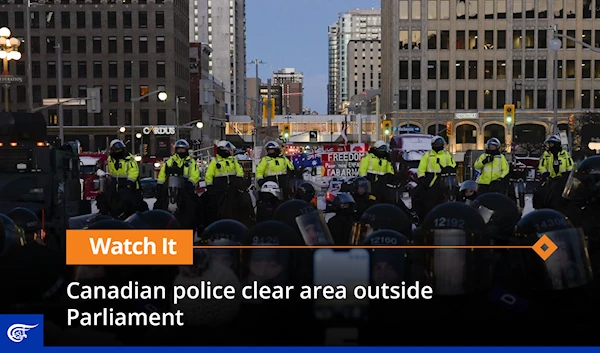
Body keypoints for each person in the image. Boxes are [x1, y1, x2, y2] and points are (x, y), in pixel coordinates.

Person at [155, 139, 201, 229]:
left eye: (182, 149)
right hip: (170, 187)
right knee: (158, 204)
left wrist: (190, 183)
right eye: (179, 149)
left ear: (186, 150)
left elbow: (195, 174)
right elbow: (162, 174)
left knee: (197, 205)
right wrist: (160, 185)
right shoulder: (170, 161)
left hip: (186, 188)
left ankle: (198, 226)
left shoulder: (191, 163)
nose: (181, 151)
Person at [412, 136, 456, 222]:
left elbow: (452, 166)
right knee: (416, 193)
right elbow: (421, 168)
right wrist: (422, 178)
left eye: (440, 144)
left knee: (454, 192)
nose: (438, 145)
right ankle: (416, 214)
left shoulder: (447, 154)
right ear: (433, 145)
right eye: (436, 144)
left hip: (444, 179)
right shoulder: (427, 155)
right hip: (429, 179)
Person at [100, 139, 142, 218]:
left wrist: (129, 182)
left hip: (128, 184)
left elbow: (134, 171)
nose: (118, 152)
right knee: (110, 201)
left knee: (129, 203)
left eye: (120, 150)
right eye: (116, 150)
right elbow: (111, 172)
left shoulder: (129, 159)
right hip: (115, 184)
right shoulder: (110, 159)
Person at [204, 140, 244, 223]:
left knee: (244, 201)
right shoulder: (215, 161)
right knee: (212, 206)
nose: (230, 151)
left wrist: (239, 179)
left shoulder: (233, 160)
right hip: (219, 189)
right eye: (228, 149)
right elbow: (209, 175)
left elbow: (239, 170)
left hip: (233, 187)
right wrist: (209, 186)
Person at [534, 134, 574, 212]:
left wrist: (567, 173)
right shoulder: (546, 155)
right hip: (550, 178)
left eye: (551, 143)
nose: (550, 145)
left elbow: (570, 165)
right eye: (549, 144)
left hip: (562, 179)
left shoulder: (565, 154)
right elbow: (542, 166)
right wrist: (545, 173)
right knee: (538, 191)